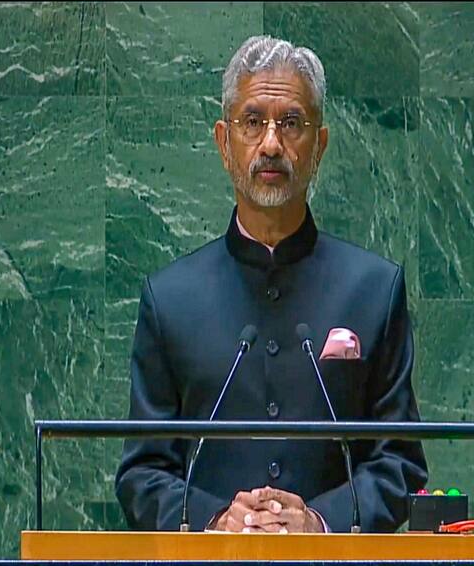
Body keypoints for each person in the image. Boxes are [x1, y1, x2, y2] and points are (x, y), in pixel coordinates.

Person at [115, 35, 428, 534]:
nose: (271, 143)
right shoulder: (169, 299)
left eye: (291, 123)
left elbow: (400, 465)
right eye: (253, 121)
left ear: (319, 146)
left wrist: (320, 523)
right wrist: (215, 520)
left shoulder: (374, 289)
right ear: (223, 142)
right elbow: (143, 472)